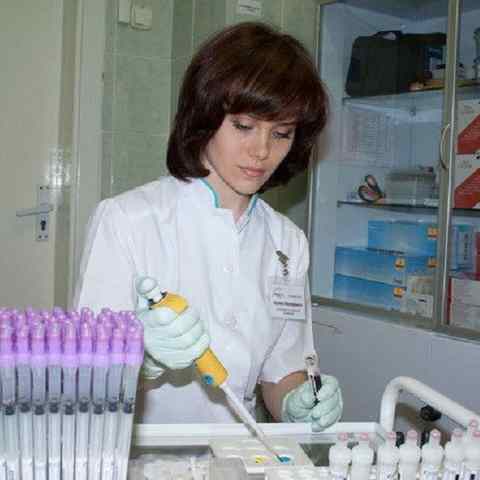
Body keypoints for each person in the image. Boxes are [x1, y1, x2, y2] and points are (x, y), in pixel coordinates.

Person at [74, 21, 343, 429]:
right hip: (140, 454)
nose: (262, 150)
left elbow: (282, 370)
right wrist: (139, 357)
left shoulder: (288, 244)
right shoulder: (127, 221)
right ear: (205, 115)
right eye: (244, 126)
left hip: (240, 454)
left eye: (282, 133)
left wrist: (296, 402)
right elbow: (85, 380)